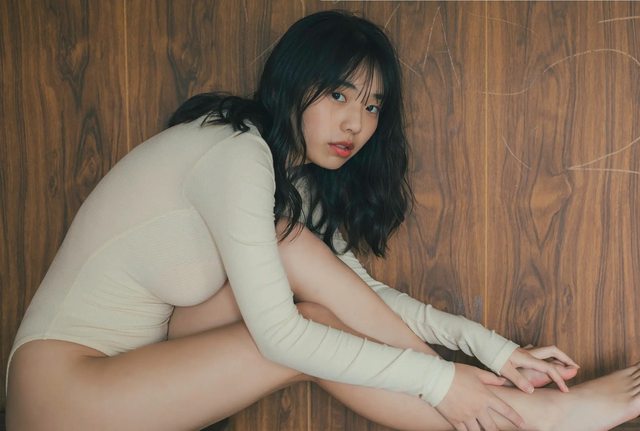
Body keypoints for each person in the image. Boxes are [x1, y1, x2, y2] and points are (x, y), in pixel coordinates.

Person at [6, 10, 640, 431]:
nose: (356, 123)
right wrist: (442, 380)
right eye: (338, 94)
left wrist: (493, 351)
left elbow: (358, 294)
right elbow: (284, 338)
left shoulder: (293, 182)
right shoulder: (233, 153)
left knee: (307, 272)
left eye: (373, 106)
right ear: (295, 81)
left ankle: (503, 409)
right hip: (62, 395)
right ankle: (523, 421)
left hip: (147, 371)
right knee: (303, 325)